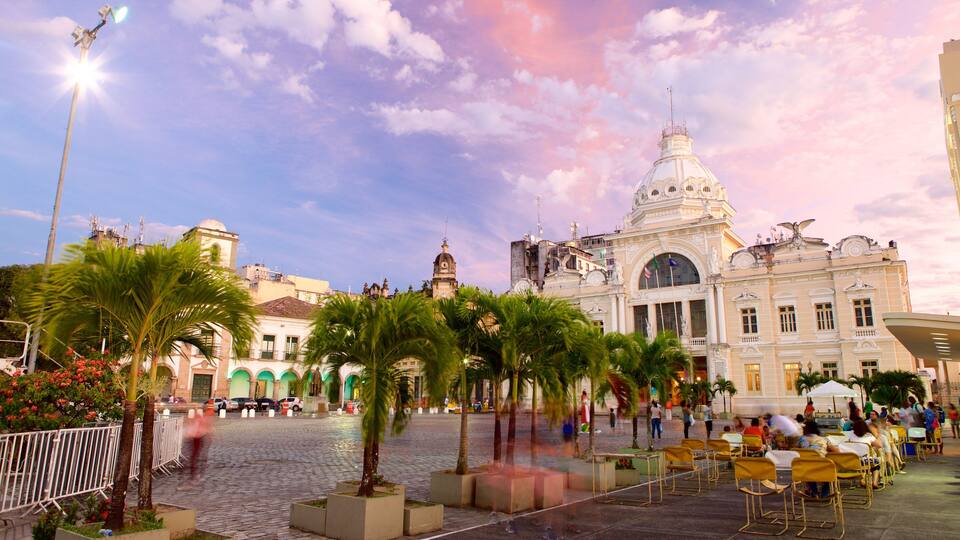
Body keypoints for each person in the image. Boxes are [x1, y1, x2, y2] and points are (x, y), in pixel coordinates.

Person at [798, 420, 835, 497]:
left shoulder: (801, 440)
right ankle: (825, 493)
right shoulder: (824, 439)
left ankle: (814, 492)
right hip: (822, 468)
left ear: (806, 429)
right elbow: (837, 452)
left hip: (806, 470)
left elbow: (794, 450)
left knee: (809, 464)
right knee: (832, 470)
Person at [185, 411, 213, 483]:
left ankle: (196, 474)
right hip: (194, 438)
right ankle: (194, 475)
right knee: (194, 457)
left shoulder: (202, 421)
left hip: (198, 438)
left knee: (197, 457)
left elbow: (206, 429)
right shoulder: (197, 421)